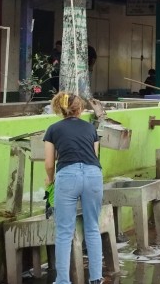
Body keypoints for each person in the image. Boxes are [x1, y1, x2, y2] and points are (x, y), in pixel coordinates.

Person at [43, 92, 104, 284]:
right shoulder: (90, 128)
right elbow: (94, 156)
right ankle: (95, 278)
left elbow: (49, 163)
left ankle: (63, 281)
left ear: (59, 109)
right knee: (92, 228)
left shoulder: (53, 129)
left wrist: (50, 180)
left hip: (67, 177)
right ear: (80, 109)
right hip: (93, 175)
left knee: (64, 232)